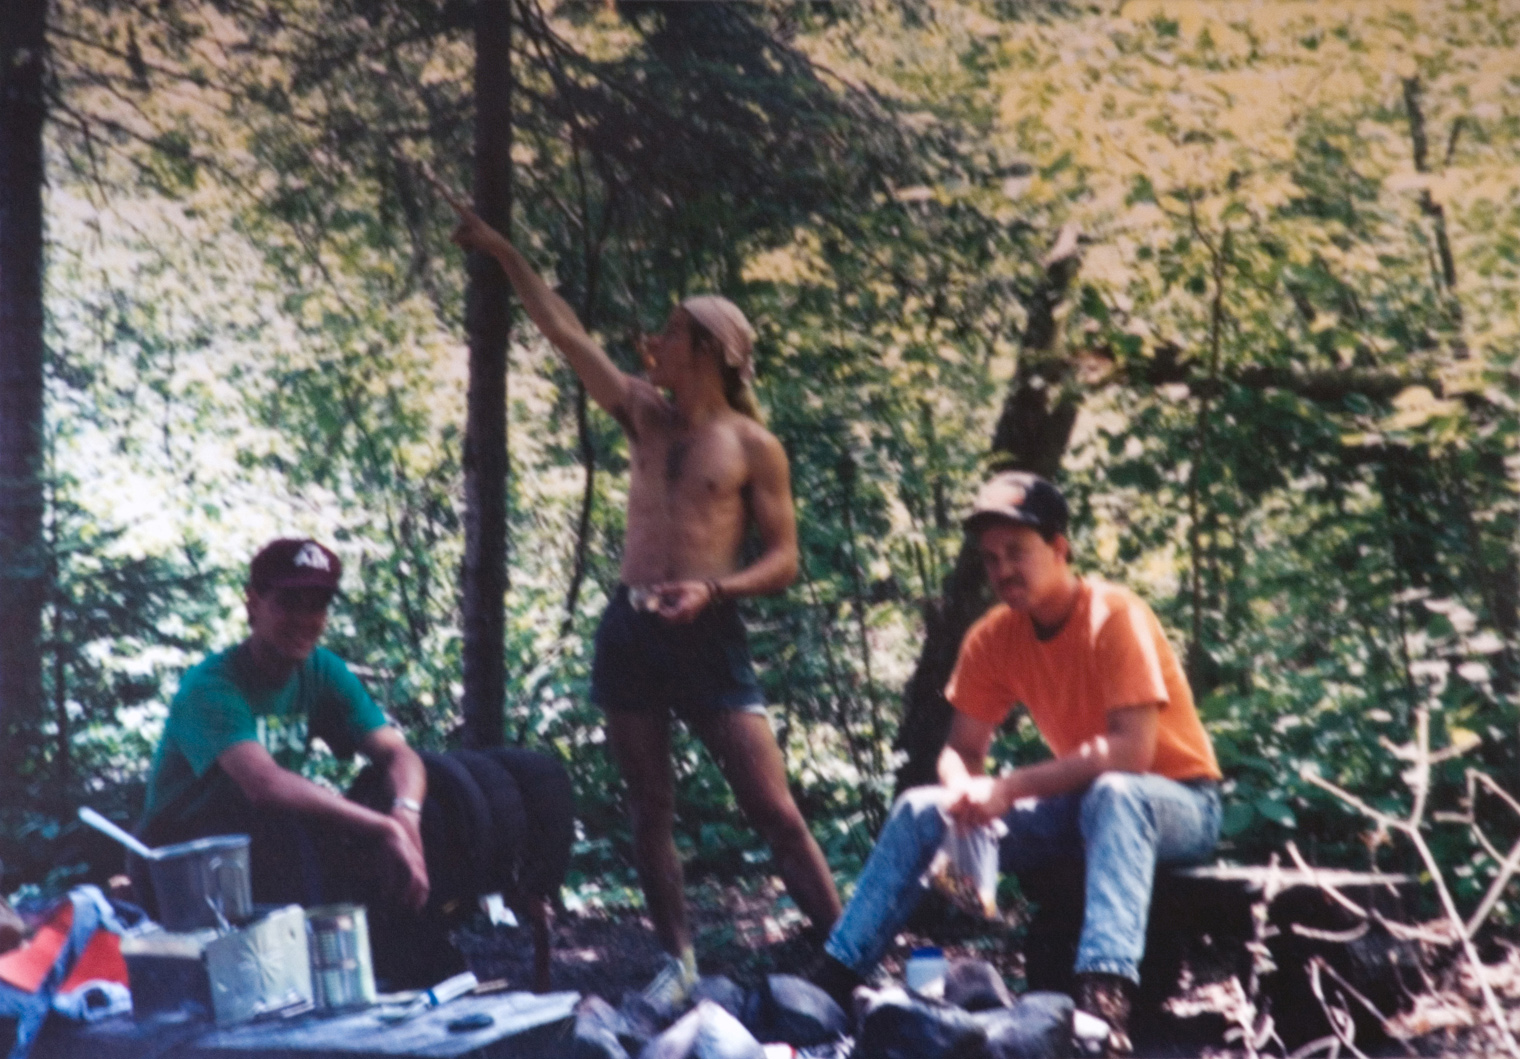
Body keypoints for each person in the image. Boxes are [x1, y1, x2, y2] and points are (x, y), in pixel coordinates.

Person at [439, 181, 842, 1006]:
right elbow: (561, 330)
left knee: (773, 808)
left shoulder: (752, 445)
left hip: (708, 632)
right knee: (646, 803)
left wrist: (713, 587)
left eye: (666, 332)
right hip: (631, 630)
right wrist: (502, 248)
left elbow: (787, 560)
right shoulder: (640, 411)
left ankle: (849, 953)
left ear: (705, 349)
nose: (649, 342)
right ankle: (680, 965)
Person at [811, 472, 1222, 1056]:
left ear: (1060, 548)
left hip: (1180, 803)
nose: (1002, 570)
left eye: (1017, 553)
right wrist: (962, 793)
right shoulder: (994, 636)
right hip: (1087, 807)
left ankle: (1103, 1005)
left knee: (1117, 795)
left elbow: (1131, 753)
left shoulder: (1115, 615)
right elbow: (961, 749)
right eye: (990, 558)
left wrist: (1007, 787)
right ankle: (831, 983)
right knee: (919, 808)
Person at [137, 538, 430, 918]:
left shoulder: (323, 670)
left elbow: (397, 754)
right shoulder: (211, 686)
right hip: (181, 853)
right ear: (253, 604)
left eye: (318, 606)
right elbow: (265, 786)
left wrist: (405, 815)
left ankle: (409, 949)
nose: (305, 620)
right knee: (285, 828)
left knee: (409, 799)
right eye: (289, 604)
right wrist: (384, 828)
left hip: (260, 842)